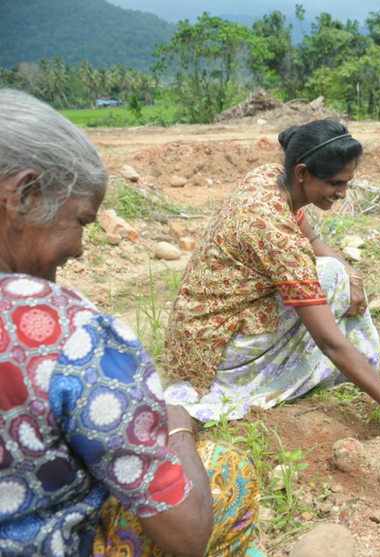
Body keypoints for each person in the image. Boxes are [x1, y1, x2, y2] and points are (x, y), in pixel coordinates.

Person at [0, 89, 263, 556]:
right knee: (226, 471)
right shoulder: (68, 333)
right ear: (24, 194)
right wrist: (178, 427)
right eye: (81, 221)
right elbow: (186, 535)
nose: (81, 247)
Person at [162, 119, 380, 442]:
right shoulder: (277, 235)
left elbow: (311, 236)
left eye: (347, 183)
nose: (341, 193)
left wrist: (352, 275)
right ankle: (267, 379)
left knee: (334, 272)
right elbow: (328, 341)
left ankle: (335, 365)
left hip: (197, 331)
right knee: (328, 280)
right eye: (334, 183)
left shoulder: (267, 179)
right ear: (302, 173)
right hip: (217, 349)